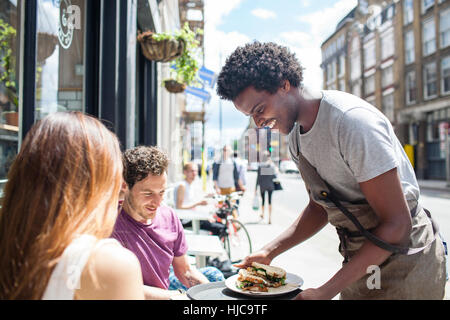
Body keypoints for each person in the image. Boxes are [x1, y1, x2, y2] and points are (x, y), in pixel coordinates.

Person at [216, 41, 446, 299]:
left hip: (407, 265)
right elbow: (319, 207)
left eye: (259, 110)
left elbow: (397, 226)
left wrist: (325, 291)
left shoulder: (351, 123)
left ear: (284, 84)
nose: (258, 123)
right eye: (251, 116)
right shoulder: (296, 138)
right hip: (360, 264)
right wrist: (270, 251)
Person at [0, 112, 144, 300]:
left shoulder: (12, 246)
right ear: (95, 183)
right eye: (116, 176)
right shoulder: (106, 263)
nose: (122, 187)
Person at [111, 146, 224, 299]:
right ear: (125, 186)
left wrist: (211, 296)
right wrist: (177, 296)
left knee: (214, 279)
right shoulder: (108, 224)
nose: (157, 203)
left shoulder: (169, 216)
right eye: (148, 193)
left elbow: (185, 271)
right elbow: (123, 288)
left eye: (162, 192)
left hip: (167, 293)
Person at [175, 162, 227, 237]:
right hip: (188, 219)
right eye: (192, 171)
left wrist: (207, 197)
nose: (195, 173)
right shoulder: (182, 186)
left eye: (196, 171)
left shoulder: (190, 185)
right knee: (220, 228)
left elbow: (191, 201)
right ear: (185, 172)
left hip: (194, 217)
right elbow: (179, 207)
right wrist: (198, 204)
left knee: (220, 224)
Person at [255, 151, 278, 224]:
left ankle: (263, 214)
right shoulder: (271, 166)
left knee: (263, 201)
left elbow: (258, 178)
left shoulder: (260, 166)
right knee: (270, 201)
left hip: (262, 186)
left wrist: (255, 188)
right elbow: (274, 176)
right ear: (269, 157)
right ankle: (270, 218)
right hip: (270, 185)